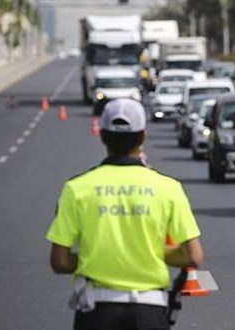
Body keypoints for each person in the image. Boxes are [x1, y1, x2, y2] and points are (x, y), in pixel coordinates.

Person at [46, 98, 204, 330]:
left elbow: (59, 261)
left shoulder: (76, 188)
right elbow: (193, 256)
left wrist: (100, 257)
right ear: (142, 137)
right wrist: (148, 253)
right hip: (150, 311)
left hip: (97, 311)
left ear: (102, 135)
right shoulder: (168, 188)